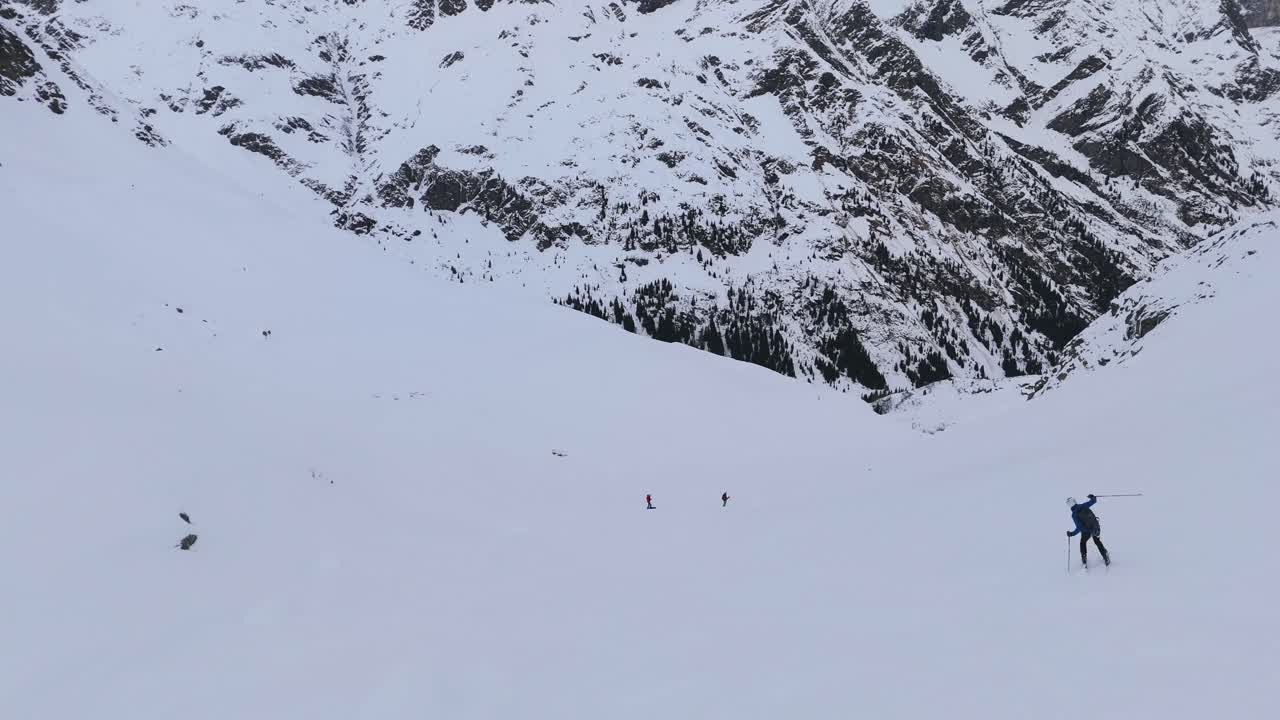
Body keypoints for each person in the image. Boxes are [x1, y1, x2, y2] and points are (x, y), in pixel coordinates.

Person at [1067, 494, 1110, 567]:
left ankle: (1084, 560)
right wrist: (1092, 497)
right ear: (1075, 501)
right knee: (1097, 541)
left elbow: (1079, 527)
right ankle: (1105, 556)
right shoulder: (1083, 506)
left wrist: (1071, 534)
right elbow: (1093, 501)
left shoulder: (1074, 514)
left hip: (1086, 531)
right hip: (1095, 527)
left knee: (1083, 542)